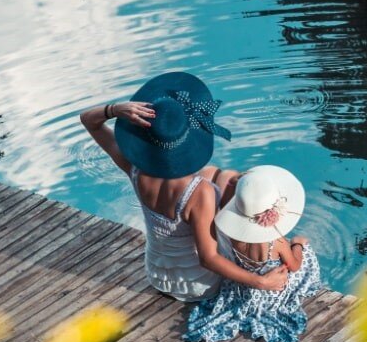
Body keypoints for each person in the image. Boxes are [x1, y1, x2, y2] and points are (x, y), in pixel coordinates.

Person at [79, 72, 288, 301]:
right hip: (197, 284)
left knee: (218, 175)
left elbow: (89, 120)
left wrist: (115, 110)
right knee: (235, 183)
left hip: (157, 275)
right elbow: (208, 259)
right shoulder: (200, 193)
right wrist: (262, 282)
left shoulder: (134, 168)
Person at [183, 165, 322, 342]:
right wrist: (297, 244)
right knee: (306, 251)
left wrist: (235, 183)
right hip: (272, 292)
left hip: (242, 288)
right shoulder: (277, 242)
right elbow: (294, 265)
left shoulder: (234, 234)